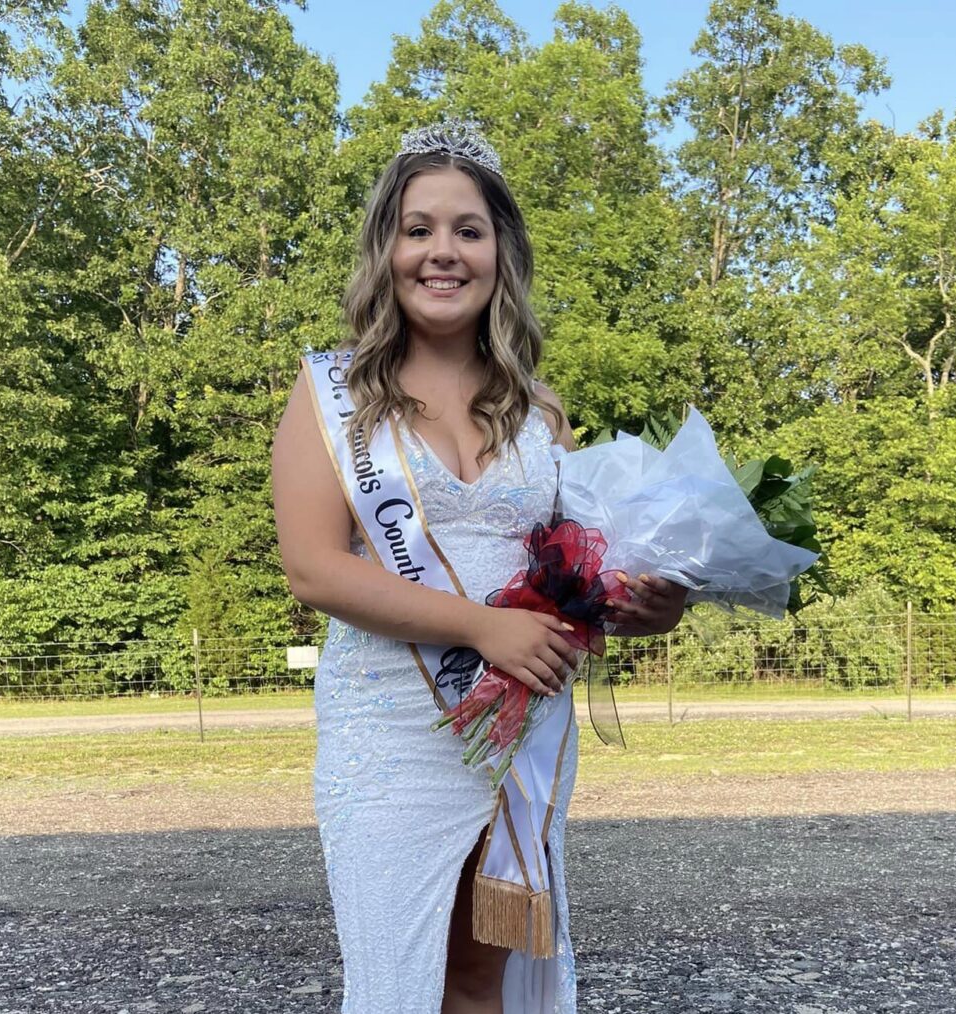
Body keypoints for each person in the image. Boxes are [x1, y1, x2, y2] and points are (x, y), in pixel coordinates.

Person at [271, 121, 688, 1014]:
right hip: (392, 728)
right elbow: (312, 570)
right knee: (392, 976)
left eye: (468, 229)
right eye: (418, 229)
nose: (442, 252)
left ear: (501, 250)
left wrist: (644, 603)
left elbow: (574, 567)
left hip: (519, 727)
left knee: (481, 974)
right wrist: (480, 626)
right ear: (387, 248)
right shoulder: (328, 392)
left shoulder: (540, 408)